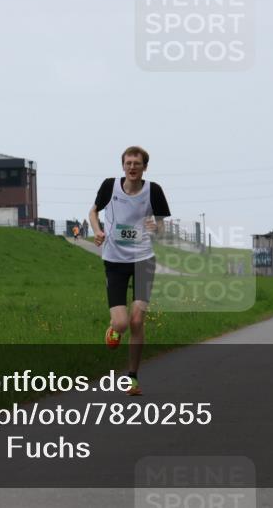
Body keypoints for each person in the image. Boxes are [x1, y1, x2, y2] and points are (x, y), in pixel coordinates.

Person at [89, 146, 170, 397]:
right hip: (114, 260)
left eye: (137, 163)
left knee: (137, 321)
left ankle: (132, 377)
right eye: (128, 163)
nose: (132, 167)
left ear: (145, 167)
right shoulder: (109, 186)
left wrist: (154, 227)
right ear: (123, 166)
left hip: (143, 259)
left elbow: (162, 229)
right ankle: (114, 328)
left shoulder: (153, 190)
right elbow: (93, 212)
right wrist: (98, 231)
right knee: (123, 323)